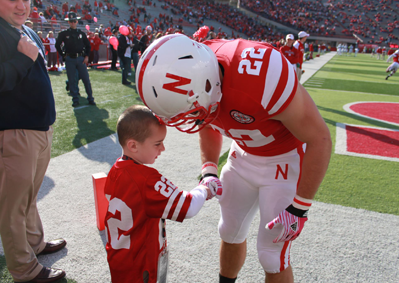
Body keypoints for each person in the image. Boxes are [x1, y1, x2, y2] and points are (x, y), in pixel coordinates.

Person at [136, 34, 332, 283]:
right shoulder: (201, 75)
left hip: (285, 160)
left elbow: (320, 139)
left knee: (271, 255)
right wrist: (209, 168)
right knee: (229, 231)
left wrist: (300, 207)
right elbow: (205, 119)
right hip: (242, 156)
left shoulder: (262, 73)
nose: (189, 118)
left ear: (208, 85)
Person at [105, 105, 221, 283]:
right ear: (133, 145)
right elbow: (187, 206)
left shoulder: (116, 169)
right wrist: (206, 188)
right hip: (140, 264)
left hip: (120, 258)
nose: (163, 148)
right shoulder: (146, 180)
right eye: (157, 144)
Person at [0, 0, 67, 282]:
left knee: (28, 197)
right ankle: (24, 270)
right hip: (12, 132)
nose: (21, 4)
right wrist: (23, 59)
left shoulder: (23, 28)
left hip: (36, 129)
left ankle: (34, 244)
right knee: (13, 205)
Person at [55, 12, 96, 107]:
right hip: (70, 59)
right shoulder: (64, 34)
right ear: (68, 22)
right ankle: (75, 99)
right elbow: (57, 45)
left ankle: (90, 98)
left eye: (74, 21)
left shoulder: (81, 33)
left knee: (86, 79)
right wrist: (63, 55)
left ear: (77, 21)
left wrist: (86, 56)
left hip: (80, 58)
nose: (73, 23)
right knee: (72, 80)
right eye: (71, 21)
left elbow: (88, 46)